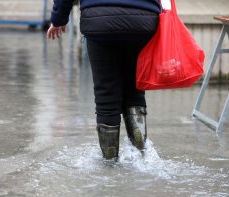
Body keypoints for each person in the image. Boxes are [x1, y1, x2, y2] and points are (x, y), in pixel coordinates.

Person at [47, 0, 161, 160]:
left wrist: (58, 18)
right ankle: (142, 157)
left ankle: (109, 166)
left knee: (106, 95)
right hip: (143, 20)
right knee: (135, 90)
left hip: (100, 20)